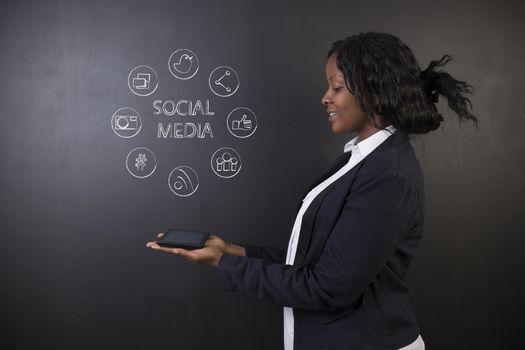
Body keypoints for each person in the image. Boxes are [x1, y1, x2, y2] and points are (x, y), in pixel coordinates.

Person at [146, 32, 478, 350]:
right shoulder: (361, 160)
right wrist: (234, 251)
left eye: (336, 86)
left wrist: (225, 264)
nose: (325, 97)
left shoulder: (387, 176)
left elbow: (327, 288)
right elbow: (316, 258)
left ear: (374, 90)